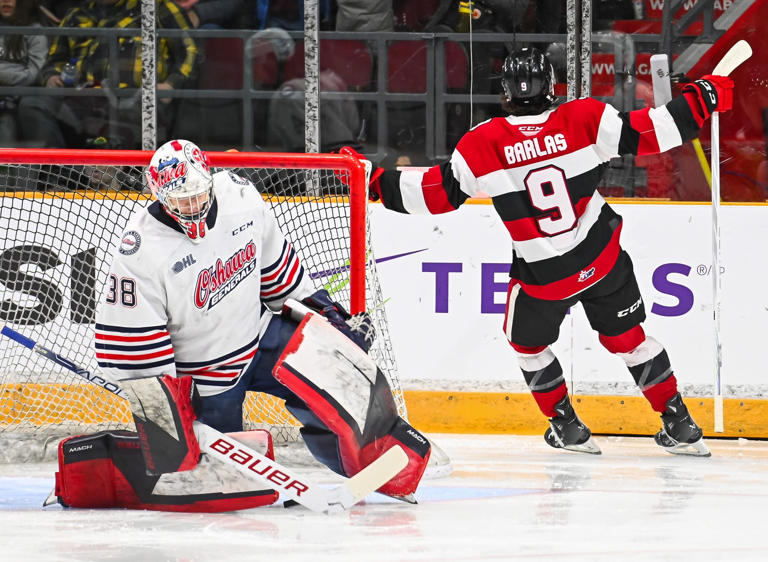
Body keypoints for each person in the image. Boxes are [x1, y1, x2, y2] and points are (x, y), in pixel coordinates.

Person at [341, 47, 734, 457]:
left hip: (545, 277)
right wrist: (702, 97)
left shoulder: (483, 143)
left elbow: (434, 194)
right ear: (550, 85)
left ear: (506, 92)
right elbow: (655, 130)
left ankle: (567, 427)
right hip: (603, 261)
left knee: (527, 345)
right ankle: (679, 422)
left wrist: (372, 180)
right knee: (630, 339)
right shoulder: (585, 117)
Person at [48, 139, 430, 511]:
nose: (192, 207)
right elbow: (137, 356)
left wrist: (327, 318)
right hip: (207, 374)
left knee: (339, 374)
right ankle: (94, 472)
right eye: (180, 201)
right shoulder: (140, 253)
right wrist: (168, 419)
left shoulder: (240, 198)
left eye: (197, 195)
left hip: (259, 336)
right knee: (222, 485)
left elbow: (279, 277)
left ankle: (378, 469)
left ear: (210, 179)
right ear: (159, 197)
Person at [18, 0, 200, 149]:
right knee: (33, 104)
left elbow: (190, 50)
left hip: (136, 99)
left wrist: (170, 86)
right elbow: (55, 60)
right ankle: (59, 177)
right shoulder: (76, 16)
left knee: (119, 122)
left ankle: (127, 182)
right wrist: (52, 76)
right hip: (81, 98)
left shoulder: (156, 7)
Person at [0, 0, 47, 145]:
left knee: (6, 123)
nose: (6, 1)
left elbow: (33, 75)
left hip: (18, 97)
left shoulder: (35, 31)